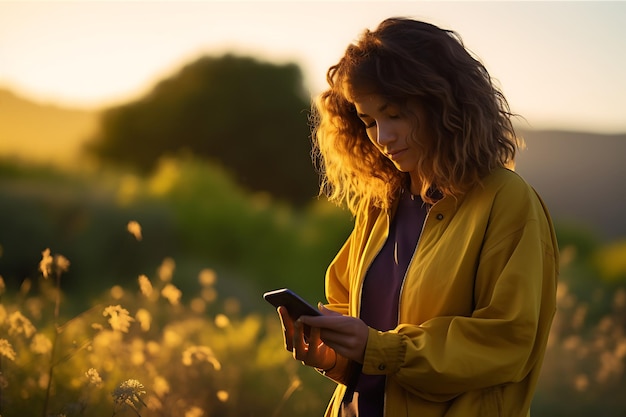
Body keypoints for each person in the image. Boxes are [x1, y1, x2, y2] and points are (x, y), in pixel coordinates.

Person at [275, 17, 559, 417]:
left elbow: (507, 341)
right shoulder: (382, 204)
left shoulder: (506, 201)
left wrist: (380, 348)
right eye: (369, 121)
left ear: (444, 104)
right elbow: (360, 334)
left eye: (395, 115)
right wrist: (332, 358)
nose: (382, 137)